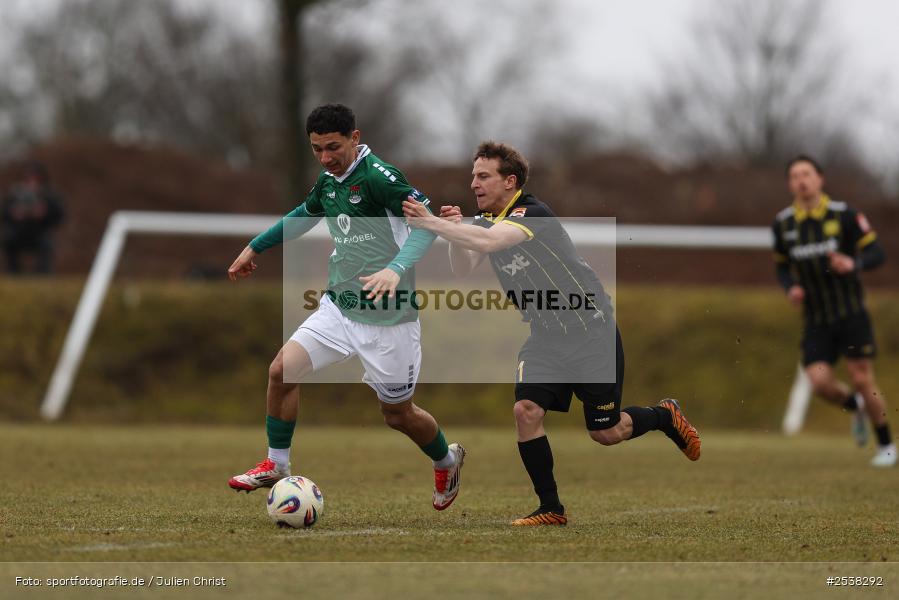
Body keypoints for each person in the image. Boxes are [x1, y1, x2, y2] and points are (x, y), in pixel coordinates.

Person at [403, 141, 700, 525]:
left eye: (483, 176)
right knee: (525, 412)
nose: (473, 183)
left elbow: (492, 241)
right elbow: (464, 265)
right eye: (472, 176)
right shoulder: (484, 222)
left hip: (590, 331)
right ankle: (551, 508)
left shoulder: (531, 212)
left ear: (510, 181)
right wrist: (454, 231)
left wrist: (433, 223)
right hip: (545, 337)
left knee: (606, 432)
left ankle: (664, 415)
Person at [226, 104, 465, 510]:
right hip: (338, 306)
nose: (325, 158)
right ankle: (277, 464)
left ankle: (447, 459)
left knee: (398, 415)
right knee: (282, 370)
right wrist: (254, 246)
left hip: (390, 319)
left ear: (355, 138)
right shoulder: (328, 182)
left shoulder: (380, 178)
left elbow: (427, 224)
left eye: (333, 147)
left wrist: (395, 268)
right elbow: (303, 216)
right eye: (317, 149)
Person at [772, 155, 894, 467]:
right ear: (790, 184)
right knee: (819, 382)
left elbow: (877, 252)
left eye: (807, 173)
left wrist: (854, 264)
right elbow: (782, 267)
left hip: (850, 313)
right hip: (816, 319)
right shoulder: (783, 224)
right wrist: (790, 288)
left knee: (862, 378)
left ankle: (886, 446)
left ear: (819, 178)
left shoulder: (845, 215)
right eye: (795, 175)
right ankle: (855, 407)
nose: (801, 180)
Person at [1, 161, 65, 274]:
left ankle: (42, 276)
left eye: (35, 178)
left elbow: (59, 216)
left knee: (46, 244)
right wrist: (14, 214)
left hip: (40, 233)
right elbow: (4, 214)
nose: (32, 182)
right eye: (28, 178)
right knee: (8, 241)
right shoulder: (15, 193)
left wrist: (45, 213)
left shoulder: (49, 194)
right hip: (18, 232)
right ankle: (14, 274)